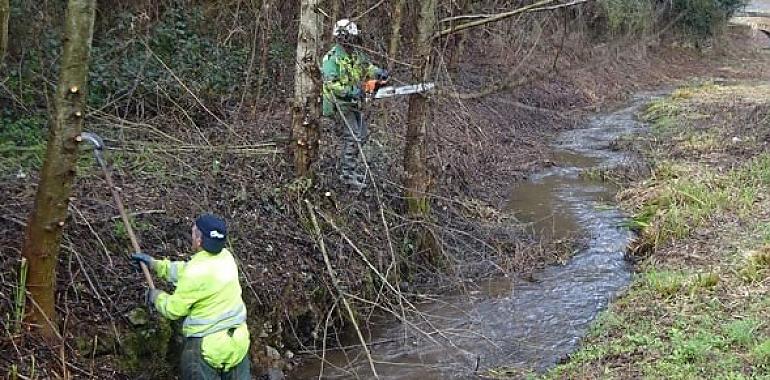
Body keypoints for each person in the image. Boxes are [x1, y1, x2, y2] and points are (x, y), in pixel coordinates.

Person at [132, 214, 251, 379]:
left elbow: (173, 309)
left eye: (194, 233)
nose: (192, 236)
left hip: (207, 348)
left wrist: (155, 296)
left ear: (199, 241)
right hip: (237, 342)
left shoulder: (195, 272)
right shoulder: (226, 258)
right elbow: (186, 270)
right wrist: (155, 264)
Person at [321, 18, 389, 189]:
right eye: (350, 37)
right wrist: (351, 91)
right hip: (338, 103)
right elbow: (331, 84)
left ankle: (350, 168)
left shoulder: (356, 54)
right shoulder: (332, 58)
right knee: (353, 136)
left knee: (363, 135)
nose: (353, 41)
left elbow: (367, 67)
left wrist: (378, 73)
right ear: (342, 37)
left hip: (352, 102)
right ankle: (346, 174)